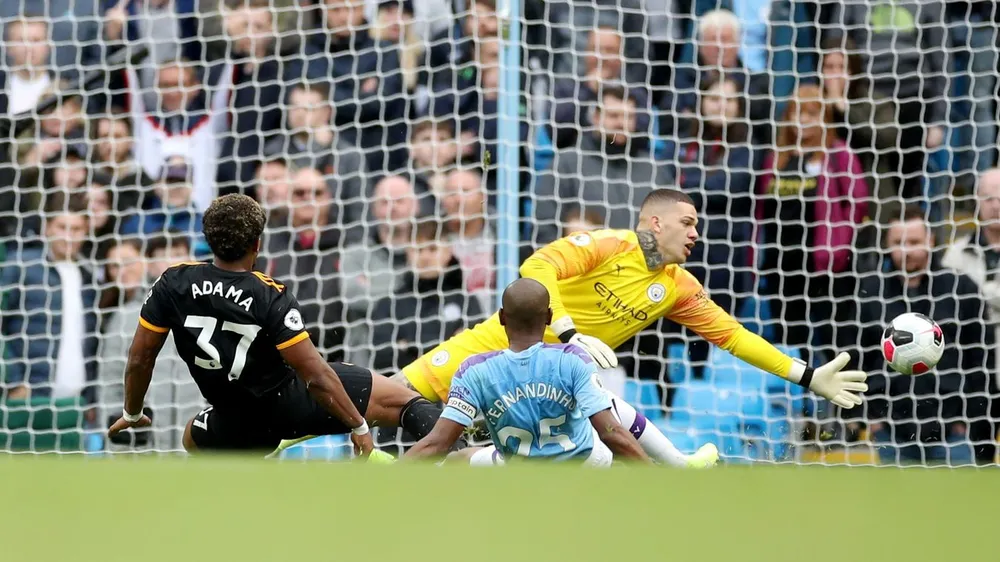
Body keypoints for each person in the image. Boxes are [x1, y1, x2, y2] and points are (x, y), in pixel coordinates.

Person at [397, 189, 869, 465]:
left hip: (556, 381)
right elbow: (537, 266)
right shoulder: (610, 245)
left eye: (697, 226)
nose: (695, 234)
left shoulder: (679, 286)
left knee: (501, 460)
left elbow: (734, 337)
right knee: (389, 397)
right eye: (687, 222)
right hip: (495, 347)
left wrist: (808, 376)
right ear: (654, 221)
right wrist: (568, 332)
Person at [106, 194, 445, 456]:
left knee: (192, 439)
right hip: (291, 403)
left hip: (235, 418)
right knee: (407, 403)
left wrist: (132, 412)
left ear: (208, 241)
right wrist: (358, 426)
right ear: (257, 243)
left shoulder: (173, 283)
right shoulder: (269, 294)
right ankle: (459, 465)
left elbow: (140, 358)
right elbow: (316, 374)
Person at [405, 278, 651, 465]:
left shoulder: (473, 370)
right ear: (549, 317)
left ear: (501, 318)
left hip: (520, 468)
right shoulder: (572, 358)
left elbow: (438, 442)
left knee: (457, 462)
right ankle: (671, 464)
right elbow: (611, 432)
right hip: (583, 463)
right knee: (614, 413)